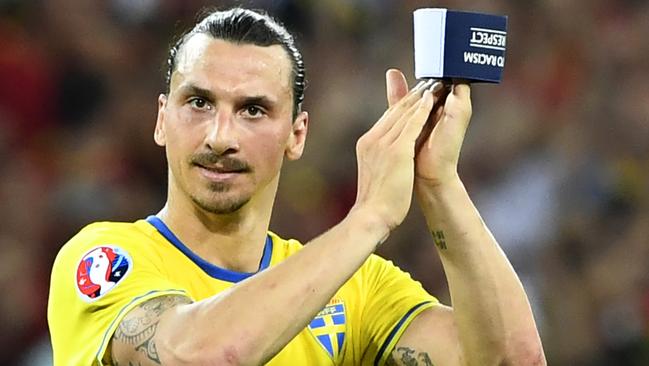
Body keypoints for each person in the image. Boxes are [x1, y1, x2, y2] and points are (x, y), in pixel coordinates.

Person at [48, 7, 545, 366]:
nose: (220, 137)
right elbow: (201, 356)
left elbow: (510, 359)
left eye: (253, 110)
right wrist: (368, 217)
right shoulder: (103, 257)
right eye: (198, 103)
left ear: (297, 134)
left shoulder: (356, 289)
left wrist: (438, 183)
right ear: (162, 120)